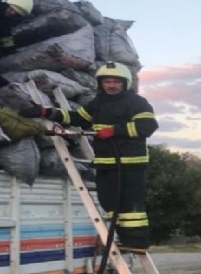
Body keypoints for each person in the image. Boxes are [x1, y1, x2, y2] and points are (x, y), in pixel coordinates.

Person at [19, 62, 158, 251]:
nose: (111, 85)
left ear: (125, 83)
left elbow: (148, 126)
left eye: (116, 81)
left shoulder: (136, 102)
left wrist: (115, 130)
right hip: (105, 163)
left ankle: (138, 241)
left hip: (130, 163)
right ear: (101, 83)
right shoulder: (98, 103)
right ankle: (125, 240)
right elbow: (79, 119)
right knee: (109, 202)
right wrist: (47, 112)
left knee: (130, 204)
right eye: (107, 81)